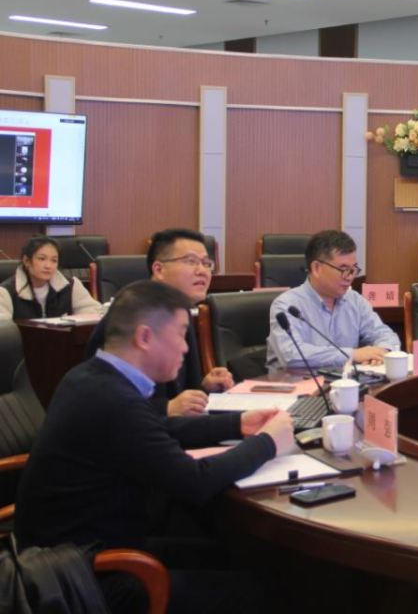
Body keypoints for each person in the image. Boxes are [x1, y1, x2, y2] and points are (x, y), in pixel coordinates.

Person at [15, 280, 293, 614]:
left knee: (226, 554)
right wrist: (268, 443)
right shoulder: (114, 400)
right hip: (79, 575)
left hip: (75, 546)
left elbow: (157, 427)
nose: (186, 348)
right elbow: (195, 481)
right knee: (255, 593)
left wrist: (238, 423)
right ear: (145, 337)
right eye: (180, 334)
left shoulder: (89, 376)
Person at [85, 228, 235, 417]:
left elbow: (181, 394)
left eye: (206, 263)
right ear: (158, 269)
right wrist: (165, 407)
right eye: (191, 261)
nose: (202, 271)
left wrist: (204, 388)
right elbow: (106, 402)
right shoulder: (134, 313)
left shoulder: (181, 310)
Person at [266, 229, 399, 370]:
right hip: (295, 381)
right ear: (316, 268)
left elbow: (385, 335)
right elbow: (292, 355)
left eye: (353, 269)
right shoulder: (287, 306)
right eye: (343, 269)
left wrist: (381, 352)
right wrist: (352, 354)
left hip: (346, 380)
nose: (349, 277)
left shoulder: (355, 300)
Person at [0, 235, 104, 320]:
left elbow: (95, 313)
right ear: (26, 261)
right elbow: (4, 331)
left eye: (54, 260)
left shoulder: (71, 286)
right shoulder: (5, 292)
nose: (48, 266)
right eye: (42, 259)